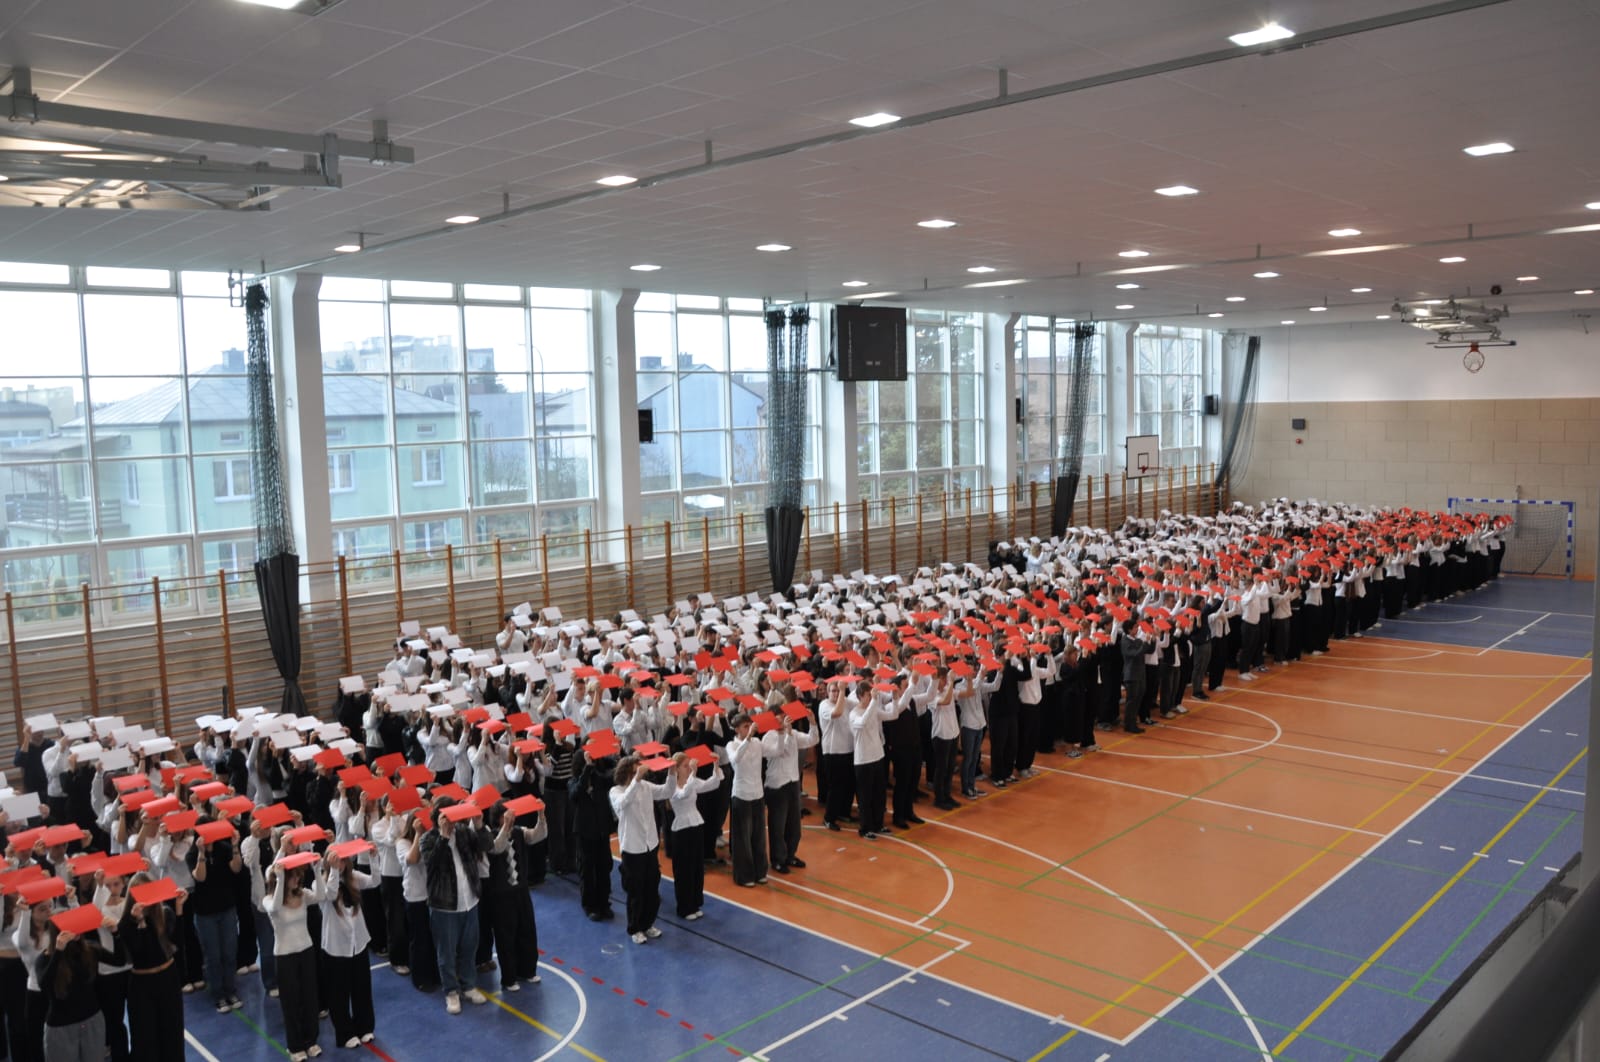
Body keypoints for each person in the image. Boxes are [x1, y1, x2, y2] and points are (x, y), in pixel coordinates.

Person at [419, 804, 492, 1015]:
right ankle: (451, 991)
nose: (453, 822)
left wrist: (479, 825)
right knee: (447, 953)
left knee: (470, 947)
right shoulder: (428, 839)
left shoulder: (464, 832)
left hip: (470, 901)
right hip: (444, 906)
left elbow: (486, 846)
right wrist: (443, 837)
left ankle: (468, 985)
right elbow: (432, 863)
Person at [263, 853, 331, 1061]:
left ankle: (311, 1040)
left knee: (310, 998)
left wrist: (317, 870)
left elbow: (322, 896)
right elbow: (275, 907)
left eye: (298, 876)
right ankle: (295, 1046)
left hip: (306, 951)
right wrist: (280, 878)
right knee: (291, 1002)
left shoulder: (302, 895)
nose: (297, 879)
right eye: (293, 876)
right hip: (285, 956)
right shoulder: (269, 900)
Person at [39, 911, 123, 1062]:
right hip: (61, 1027)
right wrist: (58, 951)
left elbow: (119, 960)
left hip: (92, 1020)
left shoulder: (89, 950)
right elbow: (45, 985)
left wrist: (116, 933)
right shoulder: (45, 959)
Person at [121, 877, 187, 1062]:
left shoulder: (163, 914)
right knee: (146, 1040)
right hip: (142, 985)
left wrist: (179, 908)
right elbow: (140, 951)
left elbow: (177, 943)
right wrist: (139, 922)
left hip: (167, 979)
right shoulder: (126, 923)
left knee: (173, 1034)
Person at [607, 755, 671, 944]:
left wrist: (672, 773)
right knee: (636, 892)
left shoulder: (645, 786)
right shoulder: (616, 791)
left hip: (650, 845)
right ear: (625, 773)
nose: (639, 775)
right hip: (632, 848)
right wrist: (636, 780)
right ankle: (634, 928)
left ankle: (648, 923)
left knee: (652, 888)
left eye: (639, 772)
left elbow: (666, 790)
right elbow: (622, 803)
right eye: (634, 772)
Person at [318, 852, 376, 1050]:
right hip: (336, 947)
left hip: (357, 942)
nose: (340, 863)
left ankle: (364, 1026)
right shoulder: (320, 883)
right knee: (338, 993)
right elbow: (330, 894)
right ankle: (345, 1033)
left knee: (362, 987)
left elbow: (375, 881)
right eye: (336, 860)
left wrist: (373, 858)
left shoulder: (354, 878)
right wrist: (333, 870)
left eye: (342, 859)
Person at [761, 706, 817, 874]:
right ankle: (778, 859)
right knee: (777, 826)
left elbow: (812, 740)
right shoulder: (768, 737)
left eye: (784, 716)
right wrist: (785, 733)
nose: (783, 719)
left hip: (792, 782)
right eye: (779, 717)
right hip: (777, 785)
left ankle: (790, 855)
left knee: (794, 825)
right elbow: (780, 751)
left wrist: (812, 723)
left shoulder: (792, 733)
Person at [667, 754, 720, 920]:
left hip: (696, 825)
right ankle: (684, 907)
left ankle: (695, 903)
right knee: (684, 869)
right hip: (682, 829)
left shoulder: (692, 781)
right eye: (685, 766)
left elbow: (712, 784)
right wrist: (694, 774)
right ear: (676, 769)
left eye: (689, 765)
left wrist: (716, 765)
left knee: (696, 866)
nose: (689, 768)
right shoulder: (671, 786)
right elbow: (683, 794)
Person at [723, 714, 774, 886]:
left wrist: (784, 734)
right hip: (741, 795)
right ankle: (744, 876)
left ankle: (760, 872)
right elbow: (735, 759)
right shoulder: (732, 745)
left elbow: (775, 751)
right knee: (742, 839)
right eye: (745, 726)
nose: (749, 728)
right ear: (737, 729)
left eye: (750, 725)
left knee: (759, 836)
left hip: (757, 794)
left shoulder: (757, 743)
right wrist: (748, 739)